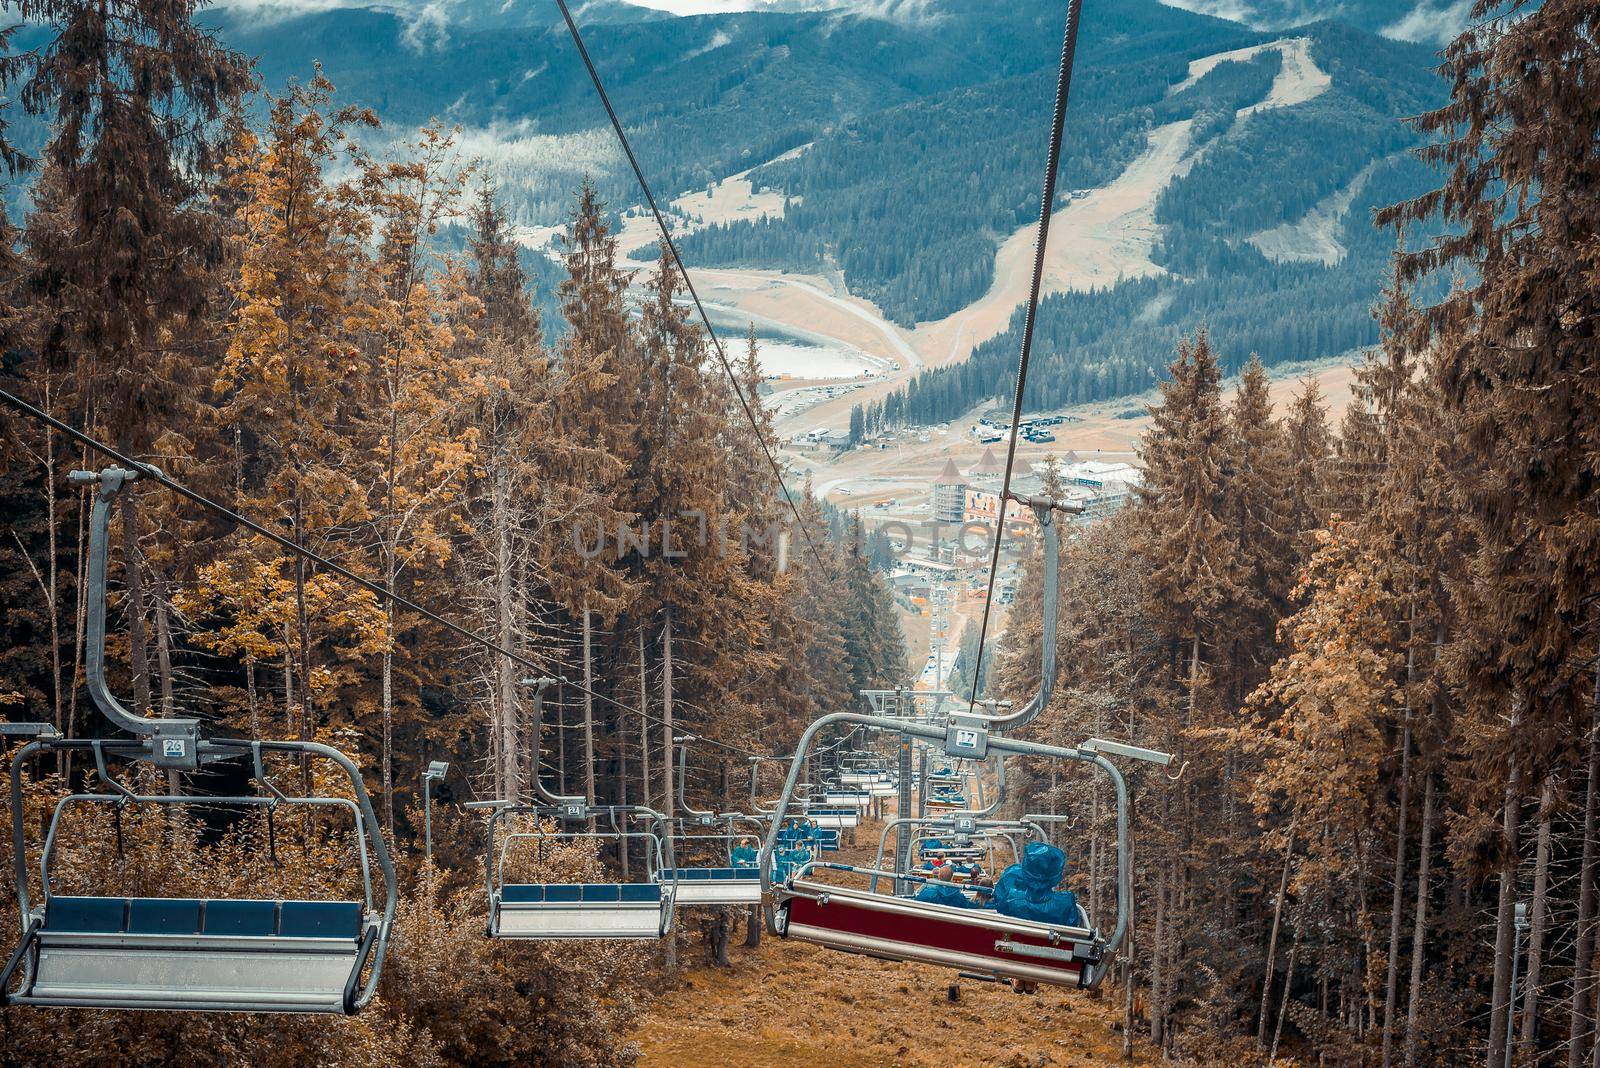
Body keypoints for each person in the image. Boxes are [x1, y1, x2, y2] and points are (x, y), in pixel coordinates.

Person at [991, 841, 1085, 927]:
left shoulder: (1011, 899)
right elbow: (1073, 931)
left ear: (1026, 872)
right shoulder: (1066, 902)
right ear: (1055, 874)